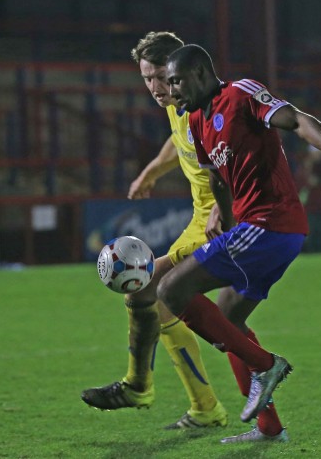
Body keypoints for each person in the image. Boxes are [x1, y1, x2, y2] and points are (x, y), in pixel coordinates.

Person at [158, 44, 321, 443]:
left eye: (175, 80)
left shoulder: (240, 93)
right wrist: (223, 218)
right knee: (228, 319)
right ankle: (270, 428)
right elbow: (218, 179)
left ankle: (266, 364)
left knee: (171, 289)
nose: (170, 90)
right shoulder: (194, 120)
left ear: (200, 74)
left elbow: (295, 119)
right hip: (263, 230)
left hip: (271, 223)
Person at [81, 32, 229, 430]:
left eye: (161, 77)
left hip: (225, 225)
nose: (155, 88)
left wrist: (220, 205)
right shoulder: (176, 105)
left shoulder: (207, 108)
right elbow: (176, 141)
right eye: (147, 79)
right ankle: (191, 404)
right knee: (149, 294)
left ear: (180, 71)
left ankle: (147, 389)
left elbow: (237, 160)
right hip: (199, 222)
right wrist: (152, 170)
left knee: (152, 291)